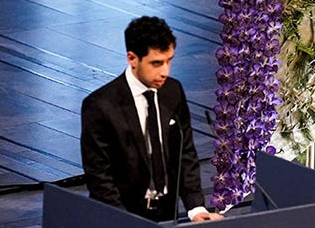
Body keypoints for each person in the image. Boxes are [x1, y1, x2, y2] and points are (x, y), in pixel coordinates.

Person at [81, 16, 224, 222]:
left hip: (166, 214)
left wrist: (196, 208)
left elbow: (185, 153)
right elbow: (100, 178)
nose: (164, 71)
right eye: (156, 63)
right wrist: (124, 222)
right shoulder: (100, 106)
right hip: (122, 216)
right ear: (132, 58)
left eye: (169, 61)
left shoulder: (173, 92)